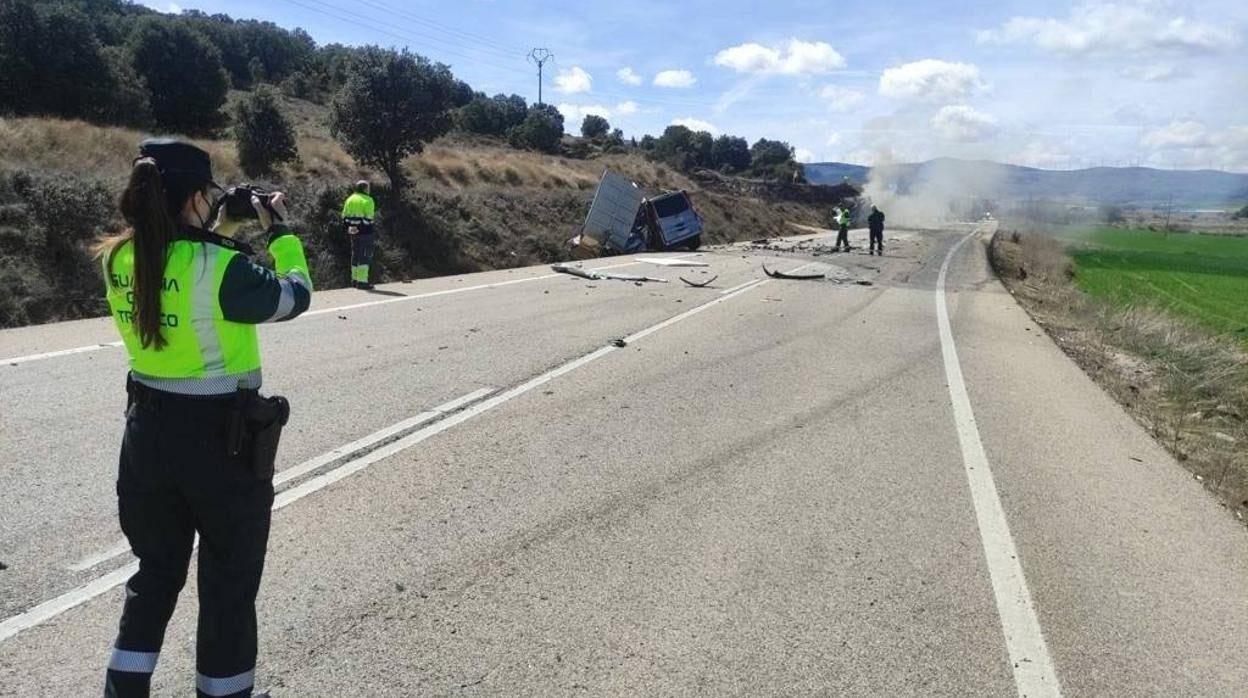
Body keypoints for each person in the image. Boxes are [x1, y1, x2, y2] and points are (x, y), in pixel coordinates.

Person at [96, 139, 312, 698]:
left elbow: (181, 264)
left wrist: (223, 226)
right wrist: (281, 232)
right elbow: (294, 296)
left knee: (154, 575)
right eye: (210, 194)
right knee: (227, 585)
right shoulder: (222, 269)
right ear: (196, 196)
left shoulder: (118, 257)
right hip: (221, 444)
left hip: (146, 437)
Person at [341, 180, 376, 290]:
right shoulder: (368, 200)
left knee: (355, 254)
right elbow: (368, 219)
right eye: (368, 188)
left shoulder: (349, 199)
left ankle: (354, 280)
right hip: (365, 232)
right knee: (364, 255)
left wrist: (351, 227)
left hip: (352, 232)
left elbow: (344, 217)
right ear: (365, 188)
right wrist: (360, 227)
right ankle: (362, 282)